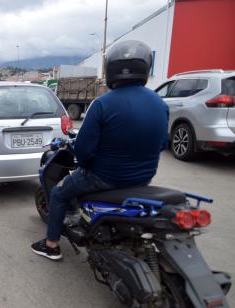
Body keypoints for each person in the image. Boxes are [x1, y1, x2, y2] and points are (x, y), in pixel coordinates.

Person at [31, 40, 169, 261]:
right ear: (145, 67)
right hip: (143, 179)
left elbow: (84, 151)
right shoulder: (160, 103)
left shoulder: (102, 103)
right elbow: (163, 143)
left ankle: (51, 245)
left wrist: (84, 164)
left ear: (112, 69)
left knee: (58, 193)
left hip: (104, 178)